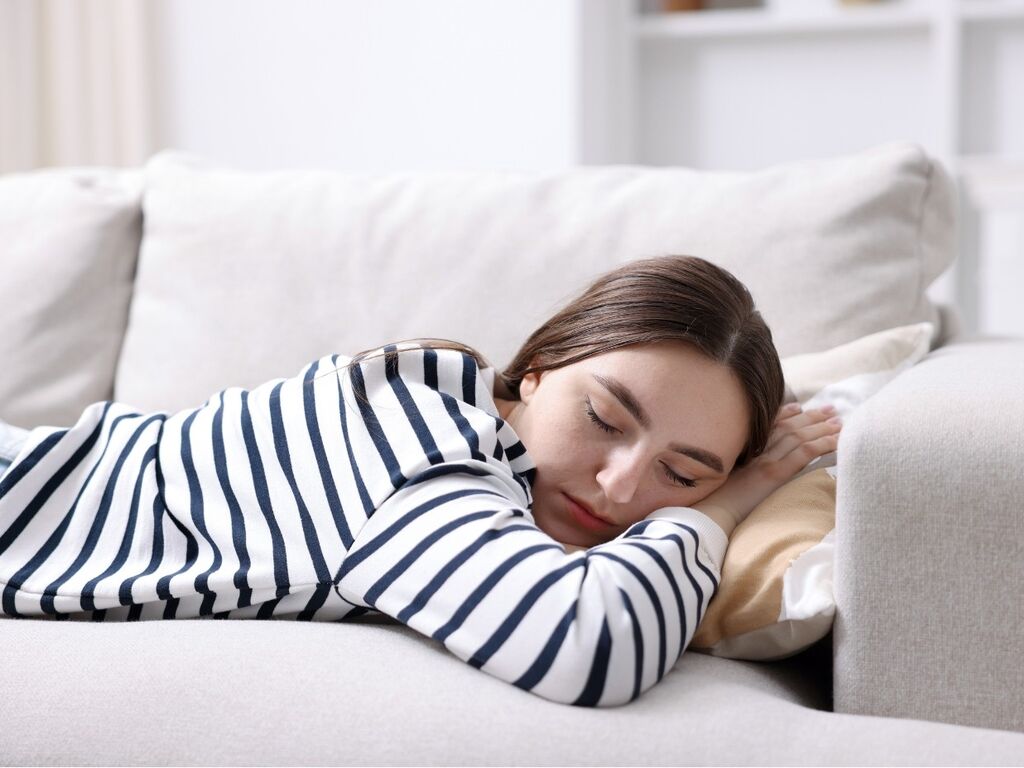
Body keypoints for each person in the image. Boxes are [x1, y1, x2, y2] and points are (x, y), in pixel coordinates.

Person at [0, 255, 839, 706]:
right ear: (539, 369)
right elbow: (589, 641)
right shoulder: (424, 440)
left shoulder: (458, 432)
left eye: (681, 472)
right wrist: (724, 503)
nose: (620, 489)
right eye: (605, 420)